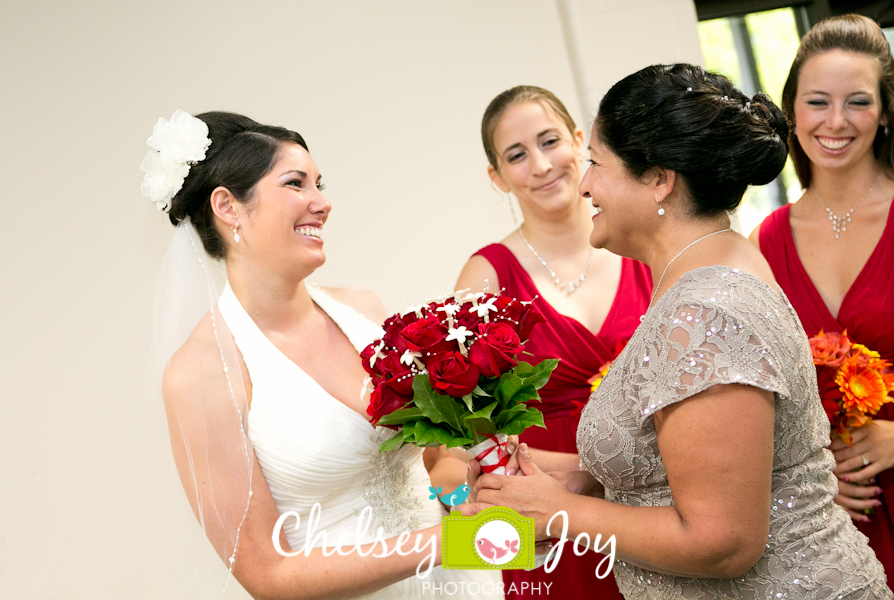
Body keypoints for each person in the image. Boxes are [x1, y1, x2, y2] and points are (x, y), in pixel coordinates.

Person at [462, 64, 892, 598]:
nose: (584, 182)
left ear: (659, 179)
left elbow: (725, 541)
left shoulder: (703, 310)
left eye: (595, 162)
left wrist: (562, 511)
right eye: (516, 154)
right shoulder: (706, 267)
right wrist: (576, 485)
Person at [145, 110, 500, 599]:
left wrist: (480, 503)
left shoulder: (362, 310)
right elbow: (267, 575)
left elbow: (435, 463)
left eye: (318, 183)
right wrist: (442, 543)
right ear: (228, 207)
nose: (322, 202)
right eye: (296, 184)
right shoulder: (200, 374)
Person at [455, 85, 651, 599]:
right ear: (497, 177)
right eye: (516, 155)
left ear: (579, 141)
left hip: (659, 496)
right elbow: (456, 443)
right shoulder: (484, 276)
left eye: (550, 142)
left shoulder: (644, 246)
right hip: (548, 512)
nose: (541, 165)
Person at [750, 15, 894, 587]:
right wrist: (817, 461)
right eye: (817, 102)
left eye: (858, 102)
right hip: (830, 518)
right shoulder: (768, 238)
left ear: (884, 112)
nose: (836, 122)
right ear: (792, 112)